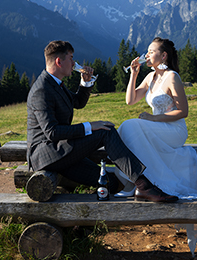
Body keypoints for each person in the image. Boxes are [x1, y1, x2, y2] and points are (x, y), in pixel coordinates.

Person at [26, 40, 178, 203]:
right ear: (58, 61)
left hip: (60, 153)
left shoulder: (56, 84)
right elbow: (52, 132)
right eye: (71, 58)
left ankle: (84, 224)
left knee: (110, 183)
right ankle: (144, 187)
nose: (74, 63)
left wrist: (85, 83)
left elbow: (77, 102)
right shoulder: (42, 90)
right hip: (46, 155)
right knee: (106, 132)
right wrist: (90, 126)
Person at [114, 37, 197, 201]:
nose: (147, 55)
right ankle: (135, 182)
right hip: (156, 127)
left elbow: (183, 112)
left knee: (130, 126)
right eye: (147, 51)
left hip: (174, 129)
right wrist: (133, 74)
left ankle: (135, 183)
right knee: (128, 127)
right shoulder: (150, 77)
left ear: (163, 56)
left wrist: (152, 118)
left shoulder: (172, 77)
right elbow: (130, 100)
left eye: (152, 51)